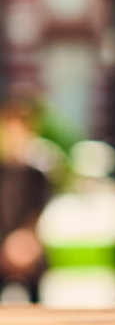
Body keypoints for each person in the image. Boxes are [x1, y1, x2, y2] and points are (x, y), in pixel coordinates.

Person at [0, 96, 51, 303]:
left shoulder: (37, 175)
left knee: (33, 270)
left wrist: (22, 244)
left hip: (27, 244)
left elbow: (36, 217)